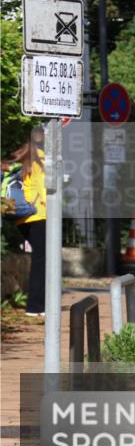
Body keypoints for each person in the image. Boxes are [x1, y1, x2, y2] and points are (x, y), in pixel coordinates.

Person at [10, 128, 46, 316]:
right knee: (42, 261)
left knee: (41, 259)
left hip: (23, 217)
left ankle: (37, 304)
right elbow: (43, 187)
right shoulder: (41, 159)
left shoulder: (26, 155)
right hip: (39, 215)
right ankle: (36, 306)